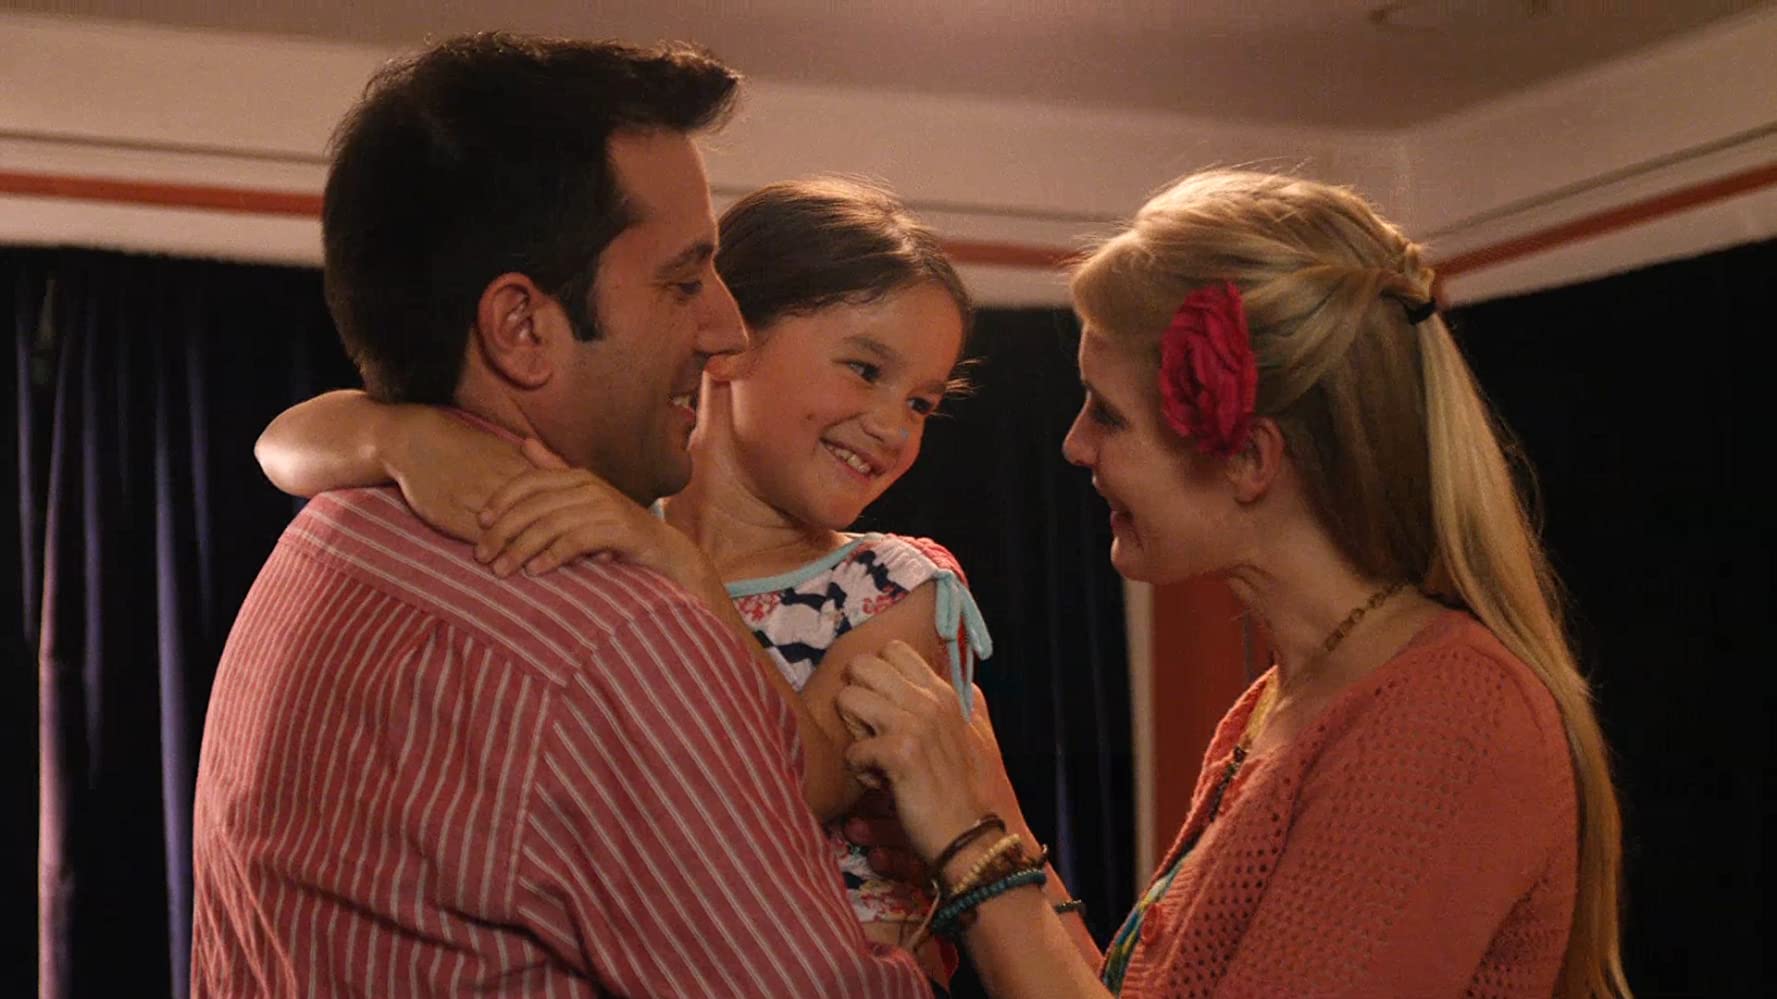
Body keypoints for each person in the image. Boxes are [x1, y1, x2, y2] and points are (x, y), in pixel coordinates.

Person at [190, 33, 932, 997]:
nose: (724, 330)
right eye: (682, 281)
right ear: (522, 327)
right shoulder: (618, 637)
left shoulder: (329, 535)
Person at [838, 169, 1630, 998]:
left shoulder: (1447, 715)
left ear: (1250, 457)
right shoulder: (1278, 703)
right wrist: (988, 805)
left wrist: (968, 841)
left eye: (1108, 413)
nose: (1074, 444)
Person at [251, 177, 1028, 984]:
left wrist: (685, 572)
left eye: (921, 403)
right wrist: (396, 437)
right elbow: (281, 444)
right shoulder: (607, 509)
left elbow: (809, 784)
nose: (893, 425)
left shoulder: (896, 587)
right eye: (865, 370)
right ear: (732, 339)